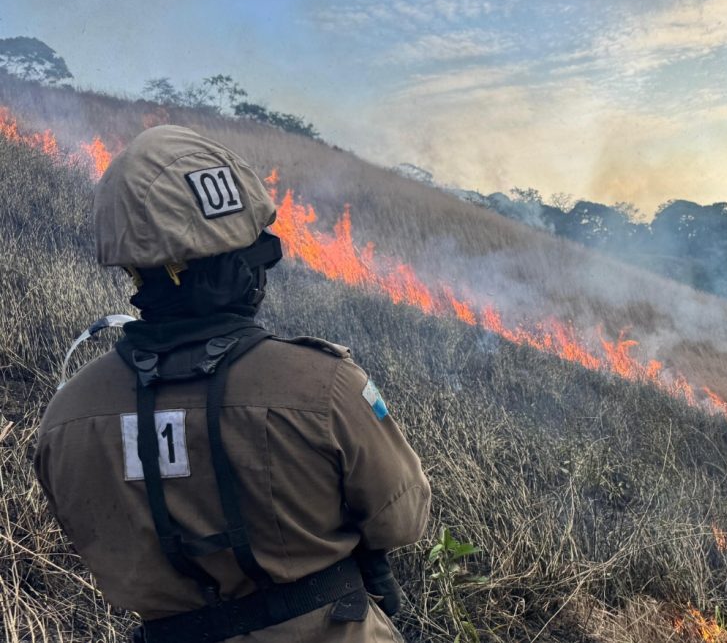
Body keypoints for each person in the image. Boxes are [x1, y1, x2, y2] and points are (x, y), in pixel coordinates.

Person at [35, 125, 431, 642]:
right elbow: (402, 518)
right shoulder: (323, 386)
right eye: (256, 257)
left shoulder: (65, 419)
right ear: (234, 273)